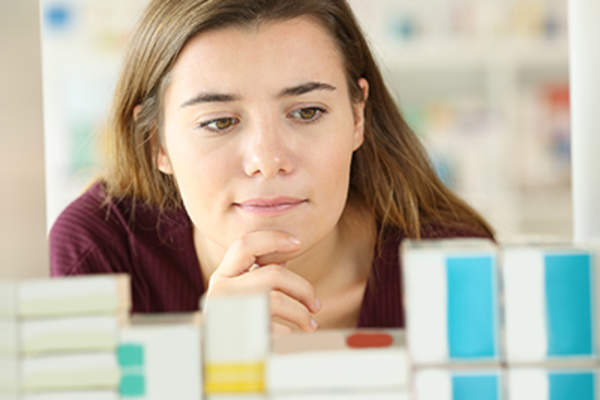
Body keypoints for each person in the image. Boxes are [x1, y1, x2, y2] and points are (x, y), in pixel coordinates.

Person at [50, 0, 494, 334]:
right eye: (219, 122)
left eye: (307, 113)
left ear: (357, 117)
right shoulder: (101, 252)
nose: (268, 161)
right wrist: (204, 361)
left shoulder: (455, 264)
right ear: (156, 143)